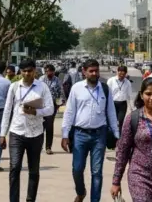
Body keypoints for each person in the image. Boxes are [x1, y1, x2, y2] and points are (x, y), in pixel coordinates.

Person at [61, 59, 121, 202]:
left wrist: (117, 135)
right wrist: (65, 134)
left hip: (99, 136)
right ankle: (81, 192)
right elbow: (69, 112)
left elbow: (111, 113)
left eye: (96, 71)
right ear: (84, 72)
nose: (94, 73)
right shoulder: (76, 88)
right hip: (79, 135)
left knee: (97, 172)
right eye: (91, 71)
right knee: (77, 169)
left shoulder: (105, 89)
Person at [0, 59, 53, 202]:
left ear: (35, 71)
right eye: (24, 71)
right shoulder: (14, 87)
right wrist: (2, 134)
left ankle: (30, 199)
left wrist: (35, 111)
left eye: (30, 71)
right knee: (15, 167)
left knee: (34, 170)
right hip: (17, 132)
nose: (27, 73)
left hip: (36, 134)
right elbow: (7, 111)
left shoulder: (42, 87)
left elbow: (50, 109)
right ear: (20, 72)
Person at [41, 63, 64, 154]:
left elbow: (60, 92)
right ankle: (38, 146)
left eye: (50, 71)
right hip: (42, 105)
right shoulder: (41, 80)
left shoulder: (57, 80)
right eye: (46, 71)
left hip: (52, 105)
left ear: (53, 72)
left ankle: (48, 147)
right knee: (41, 126)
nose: (48, 73)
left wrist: (59, 103)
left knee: (49, 125)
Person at [106, 65, 133, 130]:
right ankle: (111, 136)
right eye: (120, 73)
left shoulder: (128, 82)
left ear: (126, 74)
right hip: (112, 104)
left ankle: (119, 137)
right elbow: (107, 93)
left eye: (123, 74)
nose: (121, 75)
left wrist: (132, 108)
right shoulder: (111, 81)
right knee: (112, 121)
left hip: (123, 105)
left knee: (120, 122)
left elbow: (130, 95)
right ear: (117, 72)